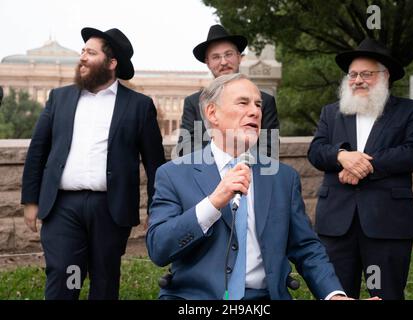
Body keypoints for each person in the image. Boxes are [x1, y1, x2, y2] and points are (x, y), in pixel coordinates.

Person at [147, 73, 352, 300]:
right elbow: (159, 248)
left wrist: (334, 295)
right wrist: (213, 203)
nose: (255, 111)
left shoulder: (283, 178)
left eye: (258, 105)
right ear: (212, 113)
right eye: (243, 103)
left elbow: (307, 248)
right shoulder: (174, 174)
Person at [21, 27, 166, 300]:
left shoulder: (139, 105)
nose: (82, 58)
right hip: (63, 207)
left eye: (90, 52)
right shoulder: (59, 98)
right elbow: (38, 150)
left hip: (111, 209)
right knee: (66, 273)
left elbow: (155, 163)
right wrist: (30, 199)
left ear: (112, 64)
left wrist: (157, 208)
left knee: (104, 278)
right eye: (82, 51)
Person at [307, 38, 413, 300]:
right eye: (352, 74)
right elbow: (316, 151)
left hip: (387, 221)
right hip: (337, 223)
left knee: (386, 294)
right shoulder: (331, 112)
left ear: (384, 76)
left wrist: (361, 165)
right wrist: (341, 156)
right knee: (335, 294)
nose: (357, 80)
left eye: (366, 74)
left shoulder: (410, 111)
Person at [176, 24, 279, 157]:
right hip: (207, 175)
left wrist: (240, 167)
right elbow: (186, 148)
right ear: (207, 62)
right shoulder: (193, 102)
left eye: (228, 54)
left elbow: (269, 148)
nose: (223, 62)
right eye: (216, 57)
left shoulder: (264, 100)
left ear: (239, 56)